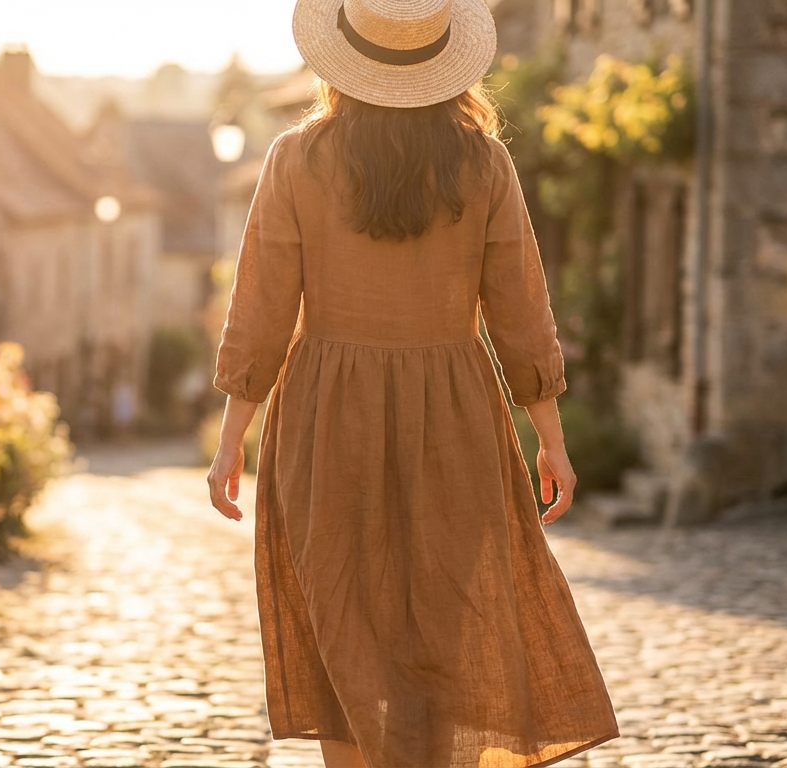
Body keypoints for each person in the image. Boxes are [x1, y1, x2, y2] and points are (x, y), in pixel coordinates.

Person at [205, 1, 620, 766]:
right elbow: (522, 311)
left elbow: (261, 310)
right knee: (443, 631)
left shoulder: (296, 159)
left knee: (341, 628)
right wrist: (551, 441)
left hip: (327, 417)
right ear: (443, 63)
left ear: (341, 59)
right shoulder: (484, 163)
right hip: (454, 416)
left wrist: (233, 439)